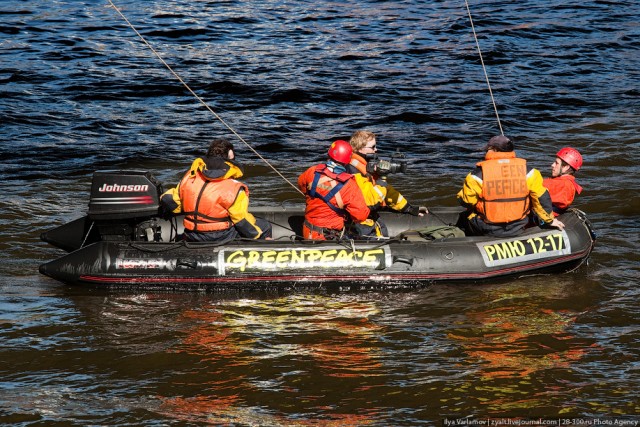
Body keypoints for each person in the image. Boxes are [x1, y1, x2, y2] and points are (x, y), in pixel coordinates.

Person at [160, 139, 272, 242]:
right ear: (230, 160)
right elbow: (241, 221)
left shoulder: (189, 178)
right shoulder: (234, 188)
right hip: (221, 236)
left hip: (192, 234)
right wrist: (258, 235)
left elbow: (171, 201)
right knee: (265, 226)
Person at [457, 135, 564, 237]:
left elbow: (466, 201)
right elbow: (542, 197)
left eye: (487, 149)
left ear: (494, 150)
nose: (486, 152)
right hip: (519, 226)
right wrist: (549, 220)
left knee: (464, 216)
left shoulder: (477, 175)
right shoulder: (530, 172)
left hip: (487, 227)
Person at [346, 130, 426, 238]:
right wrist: (382, 178)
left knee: (381, 228)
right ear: (360, 148)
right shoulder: (353, 170)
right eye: (373, 147)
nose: (376, 149)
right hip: (359, 223)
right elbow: (370, 202)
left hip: (368, 217)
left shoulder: (365, 165)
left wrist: (408, 208)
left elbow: (387, 191)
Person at [298, 140, 370, 240]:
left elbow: (302, 185)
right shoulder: (349, 185)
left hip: (307, 230)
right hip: (328, 237)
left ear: (329, 154)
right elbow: (361, 216)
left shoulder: (312, 171)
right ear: (347, 161)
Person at [543, 147, 583, 216]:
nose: (552, 165)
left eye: (556, 163)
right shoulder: (566, 182)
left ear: (566, 167)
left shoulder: (563, 184)